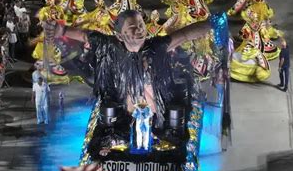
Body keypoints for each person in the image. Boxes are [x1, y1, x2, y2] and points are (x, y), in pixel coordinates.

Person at [47, 9, 211, 126]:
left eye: (141, 24)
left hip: (156, 112)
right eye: (132, 27)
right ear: (119, 35)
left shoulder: (156, 46)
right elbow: (85, 35)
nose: (139, 29)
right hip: (123, 111)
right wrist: (62, 30)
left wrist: (212, 24)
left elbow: (184, 35)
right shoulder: (110, 46)